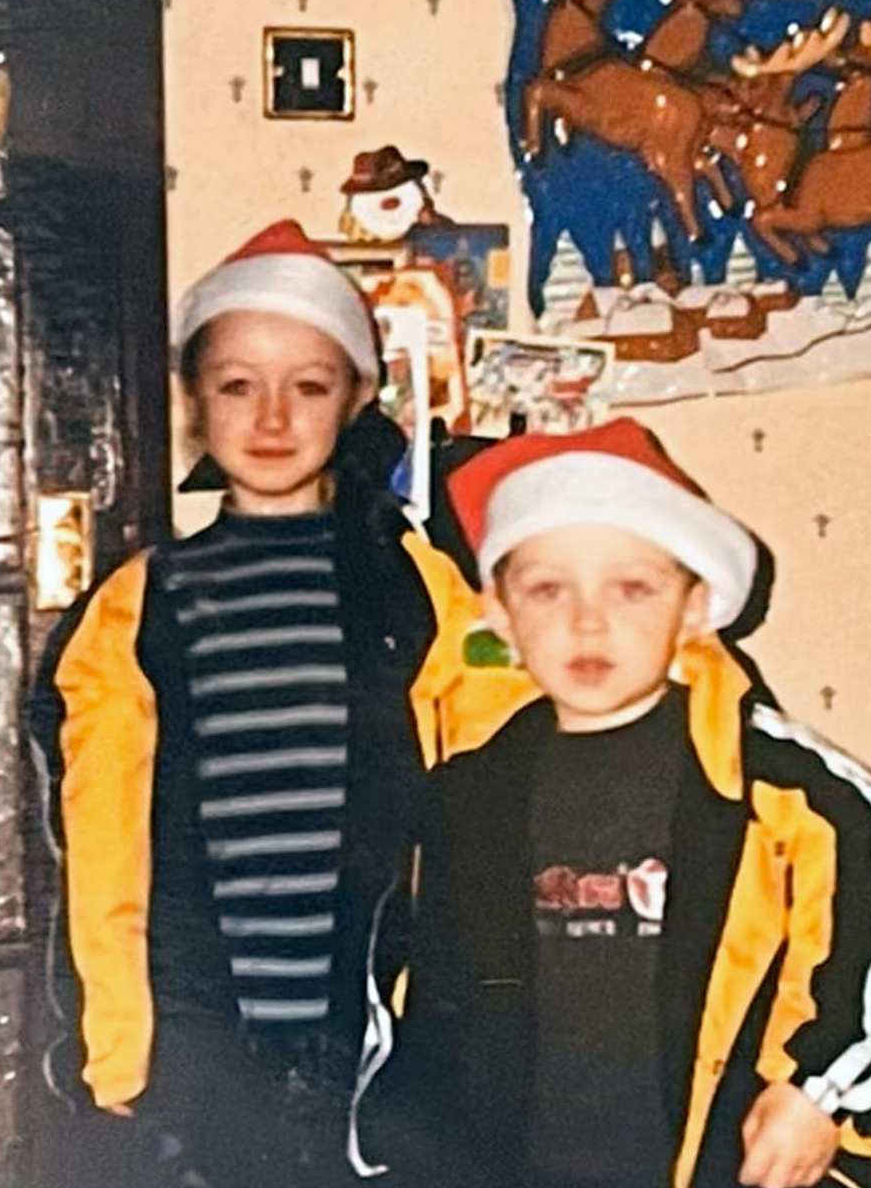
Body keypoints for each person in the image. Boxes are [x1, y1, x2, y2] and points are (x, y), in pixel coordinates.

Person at [31, 220, 521, 1188]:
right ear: (192, 404)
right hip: (206, 1027)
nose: (271, 417)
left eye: (308, 385)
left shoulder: (413, 583)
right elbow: (102, 831)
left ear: (356, 399)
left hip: (384, 1020)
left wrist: (482, 1001)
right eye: (235, 386)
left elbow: (498, 768)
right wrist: (119, 1039)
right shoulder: (142, 602)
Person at [389, 419, 871, 1188]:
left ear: (694, 608)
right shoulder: (469, 795)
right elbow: (432, 1005)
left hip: (720, 1160)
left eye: (632, 588)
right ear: (501, 617)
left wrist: (819, 1092)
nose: (589, 621)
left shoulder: (776, 782)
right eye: (548, 590)